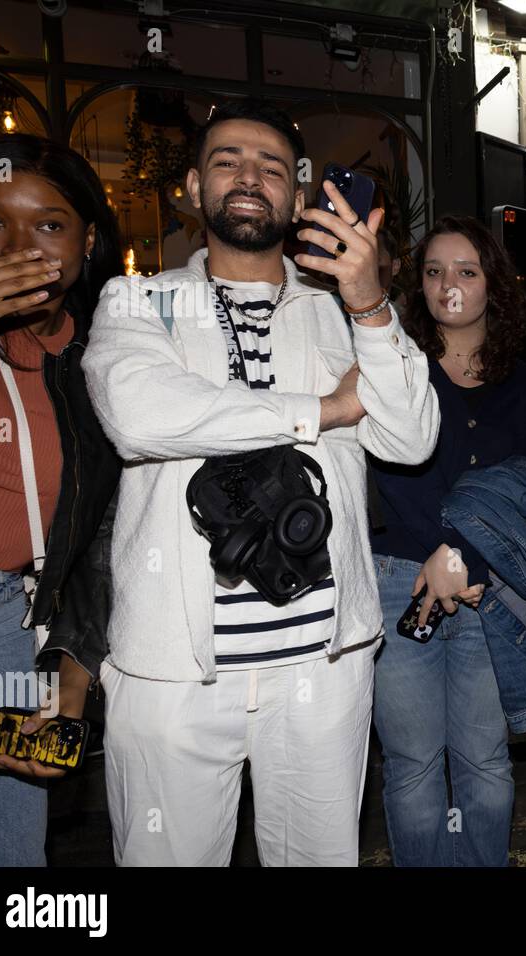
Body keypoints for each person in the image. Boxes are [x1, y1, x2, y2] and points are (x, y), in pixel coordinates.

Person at [82, 98, 440, 866]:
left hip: (324, 664)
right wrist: (325, 408)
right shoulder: (138, 302)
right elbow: (144, 415)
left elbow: (411, 437)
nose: (250, 176)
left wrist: (372, 301)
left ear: (299, 194)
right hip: (175, 675)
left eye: (272, 166)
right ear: (190, 186)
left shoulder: (341, 312)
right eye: (228, 160)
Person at [0, 133, 123, 866]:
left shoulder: (110, 362)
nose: (17, 248)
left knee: (4, 853)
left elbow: (105, 538)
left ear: (88, 241)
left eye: (49, 225)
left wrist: (71, 674)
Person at [368, 215, 526, 866]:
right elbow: (391, 473)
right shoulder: (393, 367)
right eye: (434, 270)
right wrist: (443, 550)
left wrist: (459, 556)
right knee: (415, 766)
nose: (450, 283)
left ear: (491, 287)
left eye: (467, 271)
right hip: (398, 578)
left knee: (485, 763)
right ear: (418, 285)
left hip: (486, 585)